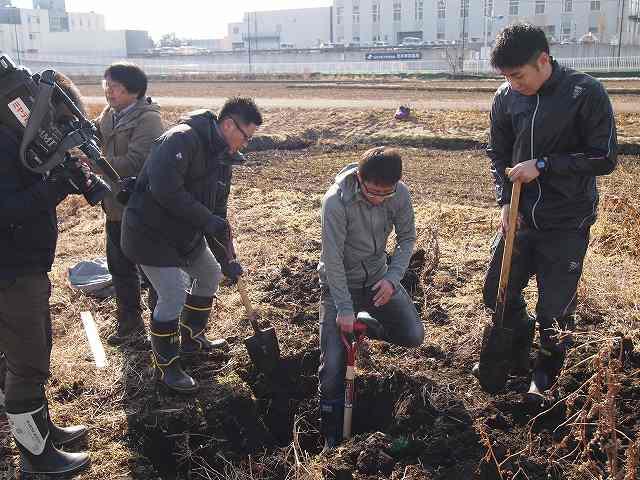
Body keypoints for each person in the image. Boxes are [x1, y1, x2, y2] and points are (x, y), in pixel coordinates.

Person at [473, 24, 617, 394]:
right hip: (520, 214)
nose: (512, 83)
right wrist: (505, 200)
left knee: (554, 311)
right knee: (496, 293)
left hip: (566, 219)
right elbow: (498, 154)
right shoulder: (506, 97)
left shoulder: (584, 93)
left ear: (542, 59)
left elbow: (604, 157)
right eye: (506, 77)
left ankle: (545, 375)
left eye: (518, 75)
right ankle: (518, 336)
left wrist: (545, 165)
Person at [121, 97, 262, 393]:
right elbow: (166, 191)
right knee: (172, 292)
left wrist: (227, 259)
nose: (246, 144)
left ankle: (191, 336)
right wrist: (206, 220)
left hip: (185, 234)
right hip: (150, 235)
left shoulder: (223, 158)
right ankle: (168, 368)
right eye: (246, 136)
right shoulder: (180, 140)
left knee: (210, 273)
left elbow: (217, 215)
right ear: (228, 124)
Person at [0, 71, 91, 475]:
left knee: (33, 353)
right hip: (11, 272)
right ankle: (36, 459)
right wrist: (55, 186)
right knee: (27, 364)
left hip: (23, 267)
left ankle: (42, 431)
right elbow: (7, 210)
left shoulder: (15, 141)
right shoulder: (4, 142)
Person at [317, 146, 425, 448]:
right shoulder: (335, 202)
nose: (379, 198)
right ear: (359, 179)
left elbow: (407, 239)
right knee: (333, 370)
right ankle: (331, 436)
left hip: (379, 279)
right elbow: (333, 258)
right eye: (372, 191)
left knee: (414, 335)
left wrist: (392, 279)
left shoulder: (400, 194)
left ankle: (369, 323)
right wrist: (343, 308)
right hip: (340, 285)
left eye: (386, 193)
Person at [94, 62, 164, 346]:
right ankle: (129, 326)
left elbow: (136, 163)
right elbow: (95, 143)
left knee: (152, 271)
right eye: (106, 85)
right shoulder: (108, 115)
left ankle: (162, 327)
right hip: (114, 206)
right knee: (119, 268)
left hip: (140, 208)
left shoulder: (148, 119)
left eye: (114, 87)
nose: (108, 92)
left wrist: (97, 165)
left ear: (133, 91)